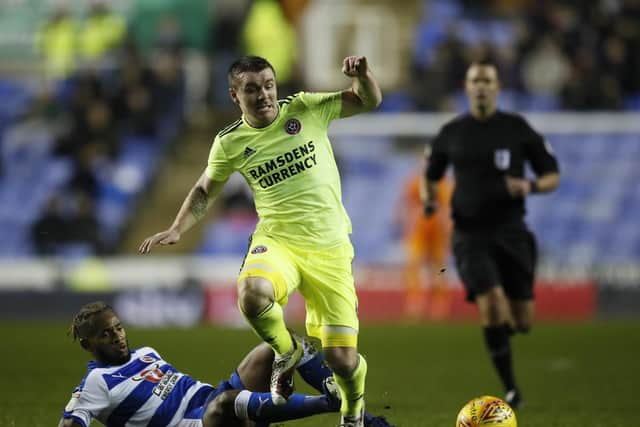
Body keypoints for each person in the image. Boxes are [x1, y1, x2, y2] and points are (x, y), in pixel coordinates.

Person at [139, 55, 382, 427]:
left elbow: (367, 101)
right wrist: (177, 228)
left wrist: (363, 76)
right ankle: (287, 351)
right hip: (278, 241)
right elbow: (206, 189)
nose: (264, 94)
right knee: (251, 293)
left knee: (343, 362)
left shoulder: (305, 108)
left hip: (329, 248)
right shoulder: (230, 142)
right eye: (252, 89)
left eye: (268, 84)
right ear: (235, 95)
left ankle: (352, 412)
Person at [422, 60, 560, 409]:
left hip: (512, 233)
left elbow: (552, 175)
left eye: (487, 80)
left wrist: (528, 185)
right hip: (469, 236)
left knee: (523, 321)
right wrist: (428, 201)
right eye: (475, 81)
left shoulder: (517, 129)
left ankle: (501, 330)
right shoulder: (452, 132)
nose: (481, 86)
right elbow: (431, 172)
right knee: (491, 304)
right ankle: (511, 388)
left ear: (497, 86)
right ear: (467, 88)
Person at [58, 301, 394, 427]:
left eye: (118, 328)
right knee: (226, 404)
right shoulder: (97, 382)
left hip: (212, 403)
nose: (117, 336)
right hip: (207, 419)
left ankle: (359, 416)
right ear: (88, 344)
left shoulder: (146, 352)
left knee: (277, 345)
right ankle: (333, 402)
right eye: (106, 335)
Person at [398, 147, 453, 320]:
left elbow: (447, 209)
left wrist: (448, 229)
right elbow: (405, 206)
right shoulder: (414, 182)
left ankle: (439, 305)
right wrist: (405, 224)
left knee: (439, 267)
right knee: (413, 266)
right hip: (418, 229)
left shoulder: (443, 183)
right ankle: (415, 304)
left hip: (437, 229)